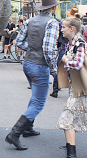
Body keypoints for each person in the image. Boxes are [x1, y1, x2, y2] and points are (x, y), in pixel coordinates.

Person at [5, 0, 61, 150]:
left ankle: (28, 128)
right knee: (38, 102)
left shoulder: (30, 20)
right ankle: (14, 134)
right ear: (53, 7)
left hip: (28, 63)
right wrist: (53, 68)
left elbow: (19, 42)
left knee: (35, 97)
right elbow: (49, 49)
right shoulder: (52, 23)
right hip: (40, 66)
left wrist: (31, 50)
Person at [56, 14, 87, 158]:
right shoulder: (72, 43)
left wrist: (65, 59)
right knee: (70, 120)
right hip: (76, 88)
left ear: (72, 29)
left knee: (66, 119)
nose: (61, 30)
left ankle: (71, 153)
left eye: (63, 27)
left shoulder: (79, 43)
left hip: (80, 89)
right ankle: (70, 148)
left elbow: (79, 64)